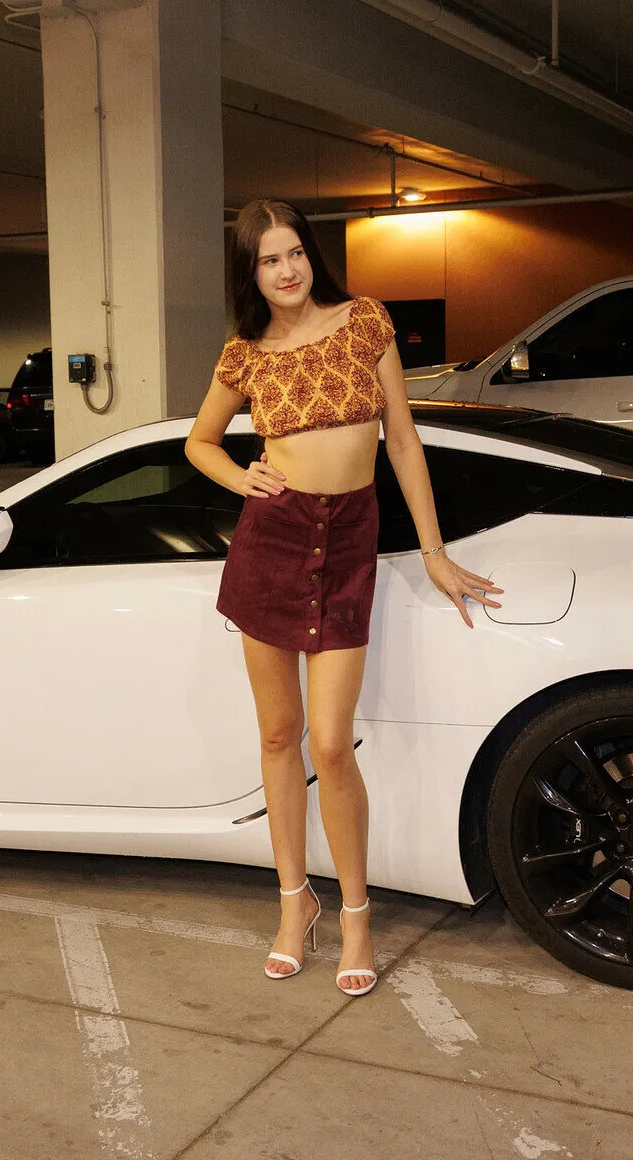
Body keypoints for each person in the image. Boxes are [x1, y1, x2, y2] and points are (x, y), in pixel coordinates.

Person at [184, 199, 503, 997]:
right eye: (268, 260)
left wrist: (433, 551)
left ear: (311, 255)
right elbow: (199, 441)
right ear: (250, 273)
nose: (286, 270)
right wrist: (241, 477)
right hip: (271, 544)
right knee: (278, 736)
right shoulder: (245, 354)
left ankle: (356, 914)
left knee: (331, 743)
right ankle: (295, 904)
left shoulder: (365, 322)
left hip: (348, 542)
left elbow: (403, 440)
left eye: (294, 253)